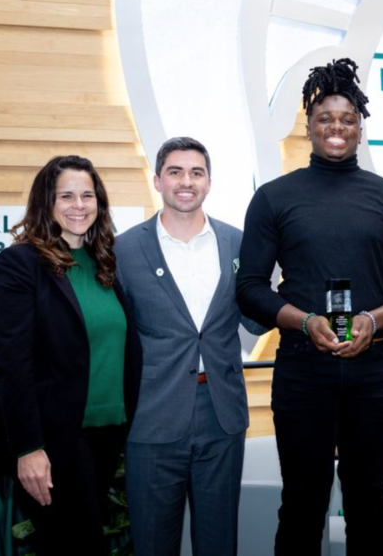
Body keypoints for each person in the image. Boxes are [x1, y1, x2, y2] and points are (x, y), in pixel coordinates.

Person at [236, 57, 383, 555]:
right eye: (326, 118)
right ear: (309, 125)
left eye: (348, 119)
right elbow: (252, 288)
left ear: (360, 127)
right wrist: (304, 321)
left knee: (370, 500)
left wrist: (374, 319)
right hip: (303, 370)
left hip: (375, 368)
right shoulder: (274, 198)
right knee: (303, 500)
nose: (337, 128)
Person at [0, 156, 142, 556]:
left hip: (107, 433)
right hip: (53, 440)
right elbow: (12, 365)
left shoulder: (106, 264)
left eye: (88, 195)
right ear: (46, 203)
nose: (79, 205)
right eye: (66, 195)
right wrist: (28, 448)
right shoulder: (19, 264)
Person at [114, 137, 263, 556]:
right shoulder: (123, 250)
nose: (186, 181)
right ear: (158, 180)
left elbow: (255, 316)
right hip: (151, 416)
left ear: (209, 183)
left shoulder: (238, 243)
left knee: (219, 544)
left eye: (196, 172)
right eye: (176, 172)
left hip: (221, 415)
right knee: (153, 544)